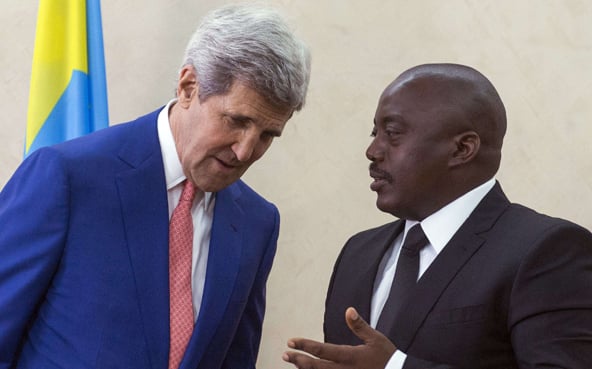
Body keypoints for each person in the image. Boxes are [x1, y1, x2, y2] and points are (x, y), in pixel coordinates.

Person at [0, 4, 310, 369]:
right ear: (188, 87)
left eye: (267, 135)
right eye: (236, 121)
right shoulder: (67, 177)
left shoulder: (258, 224)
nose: (245, 151)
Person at [283, 63, 592, 368]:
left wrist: (397, 367)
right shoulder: (358, 253)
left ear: (462, 149)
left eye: (392, 133)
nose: (372, 150)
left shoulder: (547, 250)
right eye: (374, 132)